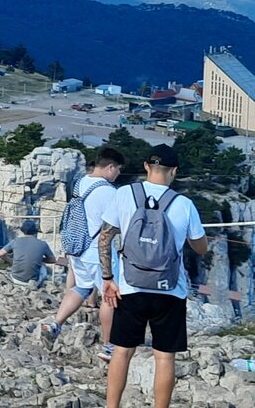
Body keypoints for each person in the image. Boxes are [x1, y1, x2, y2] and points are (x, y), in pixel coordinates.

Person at [99, 144, 207, 408]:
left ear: (147, 166)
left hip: (131, 287)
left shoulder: (124, 194)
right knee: (164, 357)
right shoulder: (184, 204)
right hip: (170, 290)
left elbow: (104, 238)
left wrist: (108, 278)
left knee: (122, 351)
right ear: (174, 171)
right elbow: (200, 248)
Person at [41, 147, 124, 360]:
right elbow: (119, 222)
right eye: (118, 170)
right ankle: (109, 345)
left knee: (81, 287)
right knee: (110, 295)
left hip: (77, 248)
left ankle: (55, 325)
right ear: (110, 167)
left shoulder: (81, 183)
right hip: (98, 250)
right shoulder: (108, 192)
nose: (118, 175)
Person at [0, 220, 56, 286]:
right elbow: (53, 260)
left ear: (22, 230)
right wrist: (40, 259)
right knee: (43, 266)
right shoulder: (43, 244)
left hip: (16, 279)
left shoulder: (15, 241)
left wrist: (10, 260)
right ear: (35, 231)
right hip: (34, 282)